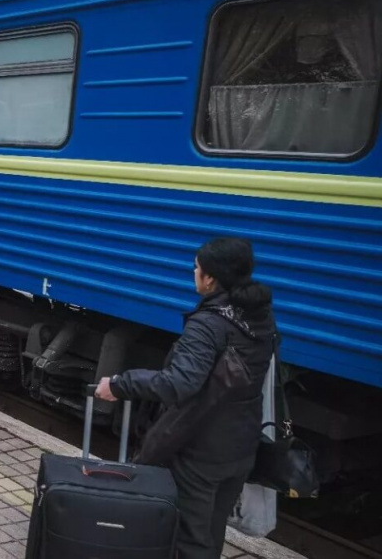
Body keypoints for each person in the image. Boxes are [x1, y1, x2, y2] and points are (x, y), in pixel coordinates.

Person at [95, 237, 275, 559]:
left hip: (202, 450)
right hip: (241, 446)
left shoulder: (209, 324)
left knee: (191, 539)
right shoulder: (260, 316)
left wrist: (121, 384)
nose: (193, 273)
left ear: (210, 278)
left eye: (196, 267)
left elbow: (179, 384)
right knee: (210, 532)